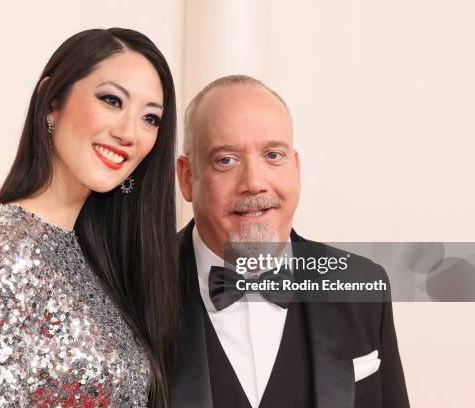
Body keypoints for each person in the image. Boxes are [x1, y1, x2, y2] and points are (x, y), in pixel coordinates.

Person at [0, 28, 179, 408]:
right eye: (111, 100)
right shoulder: (9, 241)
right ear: (51, 102)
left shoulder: (99, 253)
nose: (129, 133)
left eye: (150, 119)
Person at [171, 75, 410, 408]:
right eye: (226, 160)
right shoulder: (129, 289)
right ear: (187, 177)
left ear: (295, 168)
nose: (254, 183)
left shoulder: (362, 284)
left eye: (272, 155)